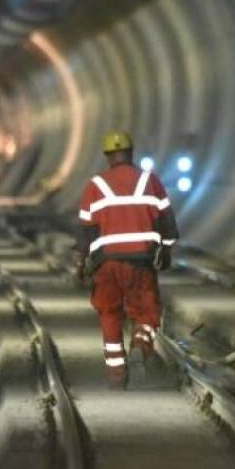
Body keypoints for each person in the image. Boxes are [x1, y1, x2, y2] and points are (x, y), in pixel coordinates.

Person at [72, 130, 179, 389]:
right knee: (146, 311)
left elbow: (86, 231)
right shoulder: (150, 181)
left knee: (109, 313)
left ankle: (117, 376)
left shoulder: (95, 186)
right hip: (140, 261)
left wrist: (80, 261)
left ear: (107, 156)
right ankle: (141, 345)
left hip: (106, 264)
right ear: (131, 153)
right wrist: (164, 251)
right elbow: (167, 223)